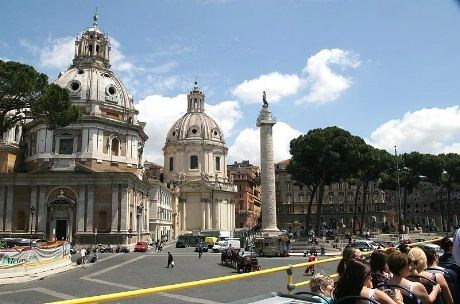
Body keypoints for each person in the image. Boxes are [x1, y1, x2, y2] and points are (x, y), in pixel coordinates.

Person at [334, 258, 400, 304]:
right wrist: (398, 298)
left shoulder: (341, 290)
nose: (371, 278)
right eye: (369, 275)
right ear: (363, 277)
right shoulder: (376, 294)